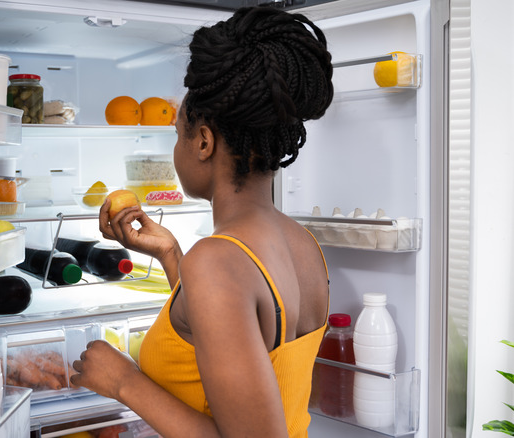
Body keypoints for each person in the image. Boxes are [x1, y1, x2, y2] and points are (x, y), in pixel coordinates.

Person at [69, 6, 334, 438]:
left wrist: (123, 382)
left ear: (204, 142)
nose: (177, 146)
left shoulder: (217, 261)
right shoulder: (303, 243)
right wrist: (173, 255)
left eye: (177, 133)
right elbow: (237, 344)